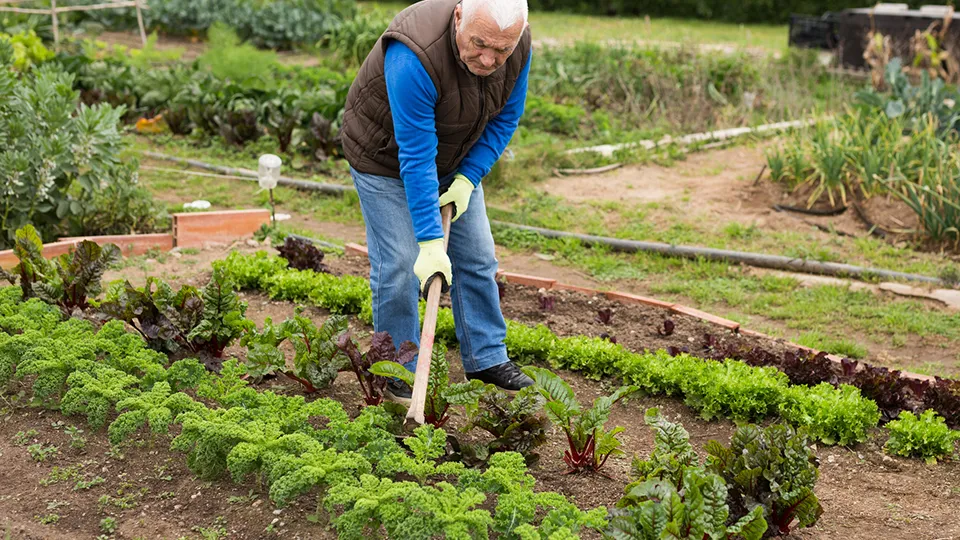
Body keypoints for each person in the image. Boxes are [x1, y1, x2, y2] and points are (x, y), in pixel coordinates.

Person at [339, 0, 534, 403]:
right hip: (386, 158)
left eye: (501, 50)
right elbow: (415, 154)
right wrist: (429, 242)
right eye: (480, 44)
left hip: (455, 159)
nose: (489, 58)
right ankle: (397, 370)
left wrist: (468, 178)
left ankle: (486, 357)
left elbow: (505, 119)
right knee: (399, 265)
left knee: (478, 257)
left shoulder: (517, 45)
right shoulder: (414, 52)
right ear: (459, 16)